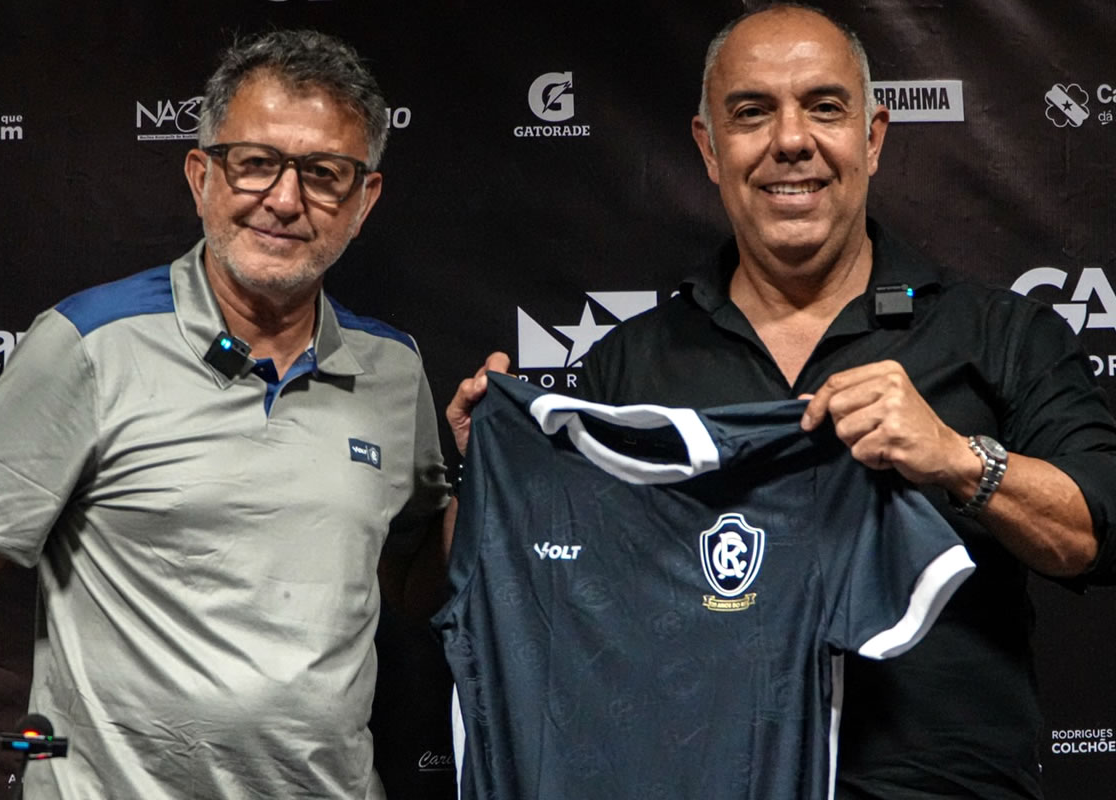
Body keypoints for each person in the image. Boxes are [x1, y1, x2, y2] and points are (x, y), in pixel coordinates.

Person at [449, 4, 1116, 798]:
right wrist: (500, 479)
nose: (791, 140)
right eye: (751, 113)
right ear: (709, 148)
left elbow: (1097, 533)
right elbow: (546, 595)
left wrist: (957, 459)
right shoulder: (630, 366)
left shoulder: (1000, 333)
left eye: (824, 107)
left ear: (873, 136)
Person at [0, 29, 451, 800]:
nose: (285, 200)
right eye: (256, 163)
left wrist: (485, 475)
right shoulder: (88, 345)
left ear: (362, 201)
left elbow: (412, 584)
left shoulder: (394, 370)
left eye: (323, 174)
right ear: (202, 176)